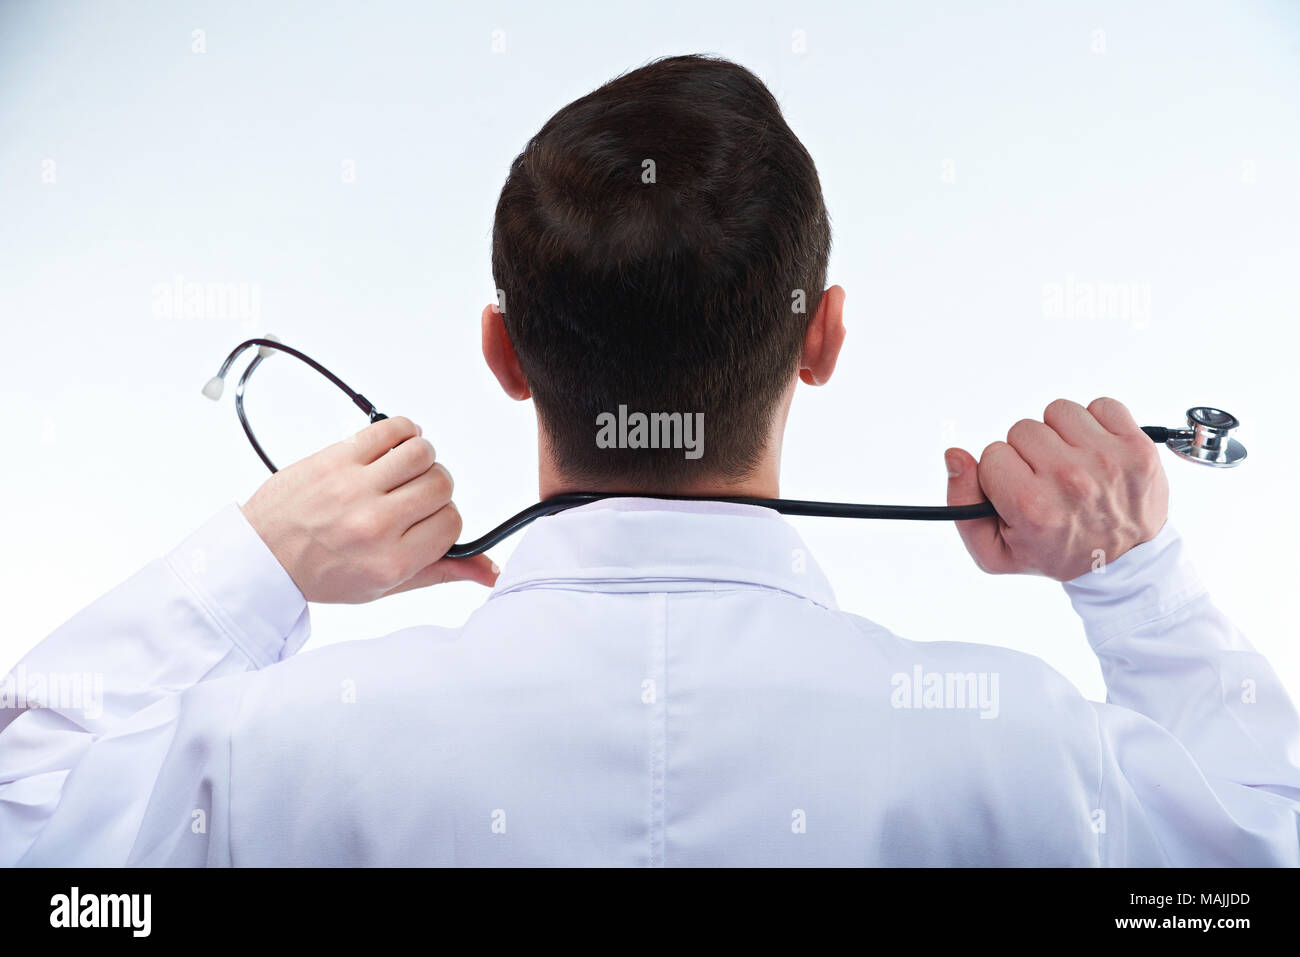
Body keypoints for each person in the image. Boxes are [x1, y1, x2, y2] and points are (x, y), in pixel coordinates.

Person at [2, 54, 1297, 867]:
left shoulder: (275, 754)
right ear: (825, 338)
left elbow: (28, 813)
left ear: (504, 353)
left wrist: (258, 565)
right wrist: (1137, 581)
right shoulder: (1030, 754)